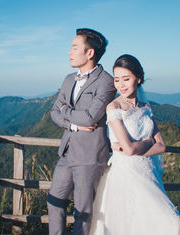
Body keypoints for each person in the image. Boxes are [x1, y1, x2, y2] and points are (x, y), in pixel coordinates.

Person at [89, 54, 180, 235]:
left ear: (138, 79)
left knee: (163, 224)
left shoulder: (146, 108)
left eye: (126, 79)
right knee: (134, 225)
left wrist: (138, 147)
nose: (121, 84)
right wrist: (149, 142)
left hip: (149, 173)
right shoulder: (114, 107)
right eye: (117, 80)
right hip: (126, 174)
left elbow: (162, 146)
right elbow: (129, 149)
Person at [48, 28, 117, 235]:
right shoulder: (69, 78)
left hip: (89, 155)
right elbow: (54, 112)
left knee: (83, 212)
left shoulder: (106, 81)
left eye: (74, 47)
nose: (69, 52)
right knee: (54, 201)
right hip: (67, 152)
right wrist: (73, 125)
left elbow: (90, 117)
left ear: (90, 53)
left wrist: (66, 111)